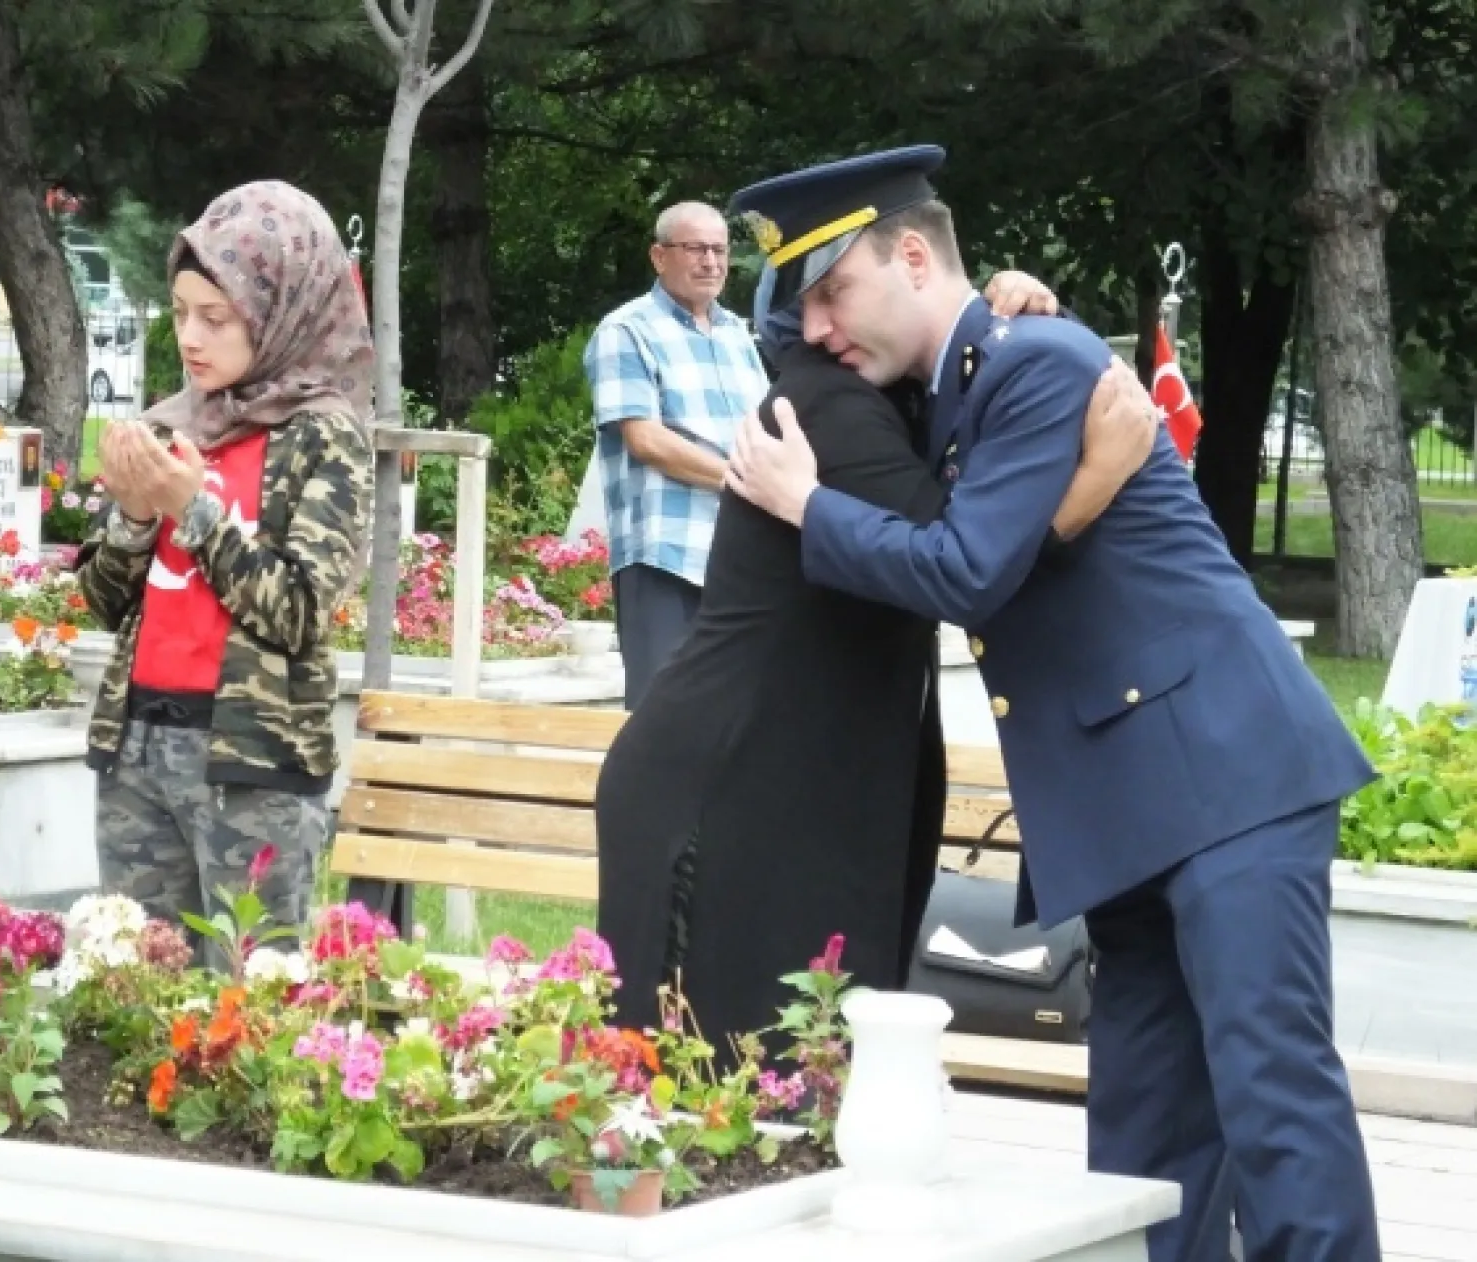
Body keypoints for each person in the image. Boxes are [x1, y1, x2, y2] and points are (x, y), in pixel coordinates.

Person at [723, 145, 1380, 1262]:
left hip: (1222, 774)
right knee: (1144, 1136)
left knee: (1271, 1105)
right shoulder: (953, 379)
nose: (822, 326)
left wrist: (809, 504)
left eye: (835, 289)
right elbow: (781, 338)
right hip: (1120, 807)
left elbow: (965, 569)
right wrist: (976, 296)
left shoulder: (1032, 361)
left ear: (915, 255)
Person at [595, 260, 1159, 1056]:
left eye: (838, 296)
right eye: (812, 305)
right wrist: (1097, 478)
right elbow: (967, 567)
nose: (827, 324)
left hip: (783, 787)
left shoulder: (887, 403)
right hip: (727, 800)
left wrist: (1014, 313)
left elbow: (962, 395)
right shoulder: (825, 411)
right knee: (711, 1093)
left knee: (785, 1089)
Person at [77, 179, 375, 947]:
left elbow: (300, 611)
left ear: (279, 313)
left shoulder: (325, 434)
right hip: (139, 742)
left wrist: (193, 509)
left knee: (248, 1002)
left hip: (252, 764)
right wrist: (137, 517)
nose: (190, 338)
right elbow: (105, 604)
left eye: (215, 317)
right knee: (133, 1000)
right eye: (179, 314)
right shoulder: (175, 425)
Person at [582, 201, 770, 709]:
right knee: (662, 718)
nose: (711, 262)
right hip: (665, 558)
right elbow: (646, 440)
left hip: (740, 559)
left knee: (737, 716)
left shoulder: (738, 335)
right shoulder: (626, 331)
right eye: (696, 249)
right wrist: (742, 479)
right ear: (659, 256)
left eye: (719, 250)